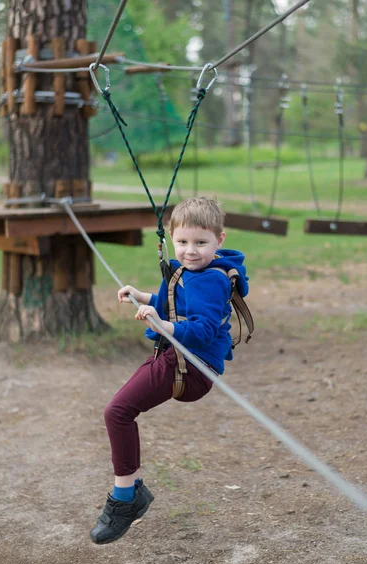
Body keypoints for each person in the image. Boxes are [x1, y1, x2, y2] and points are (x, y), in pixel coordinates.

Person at [90, 197, 250, 545]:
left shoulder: (209, 280)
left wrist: (163, 325)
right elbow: (173, 301)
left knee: (117, 412)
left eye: (200, 243)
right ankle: (131, 492)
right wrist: (144, 297)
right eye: (182, 242)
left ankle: (125, 499)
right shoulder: (186, 270)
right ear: (172, 239)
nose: (190, 251)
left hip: (189, 368)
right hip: (173, 357)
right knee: (118, 411)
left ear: (219, 240)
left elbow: (204, 328)